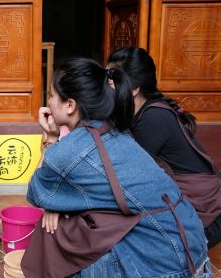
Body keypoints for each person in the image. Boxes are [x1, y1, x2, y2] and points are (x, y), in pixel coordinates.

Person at [21, 57, 210, 277]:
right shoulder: (114, 130)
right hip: (191, 250)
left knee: (59, 232)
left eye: (52, 95)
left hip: (166, 265)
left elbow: (36, 191)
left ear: (70, 105)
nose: (49, 102)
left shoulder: (73, 150)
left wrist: (50, 139)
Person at [107, 47, 221, 249]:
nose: (106, 85)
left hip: (204, 215)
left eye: (112, 80)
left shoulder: (153, 119)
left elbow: (128, 179)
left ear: (134, 88)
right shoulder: (136, 112)